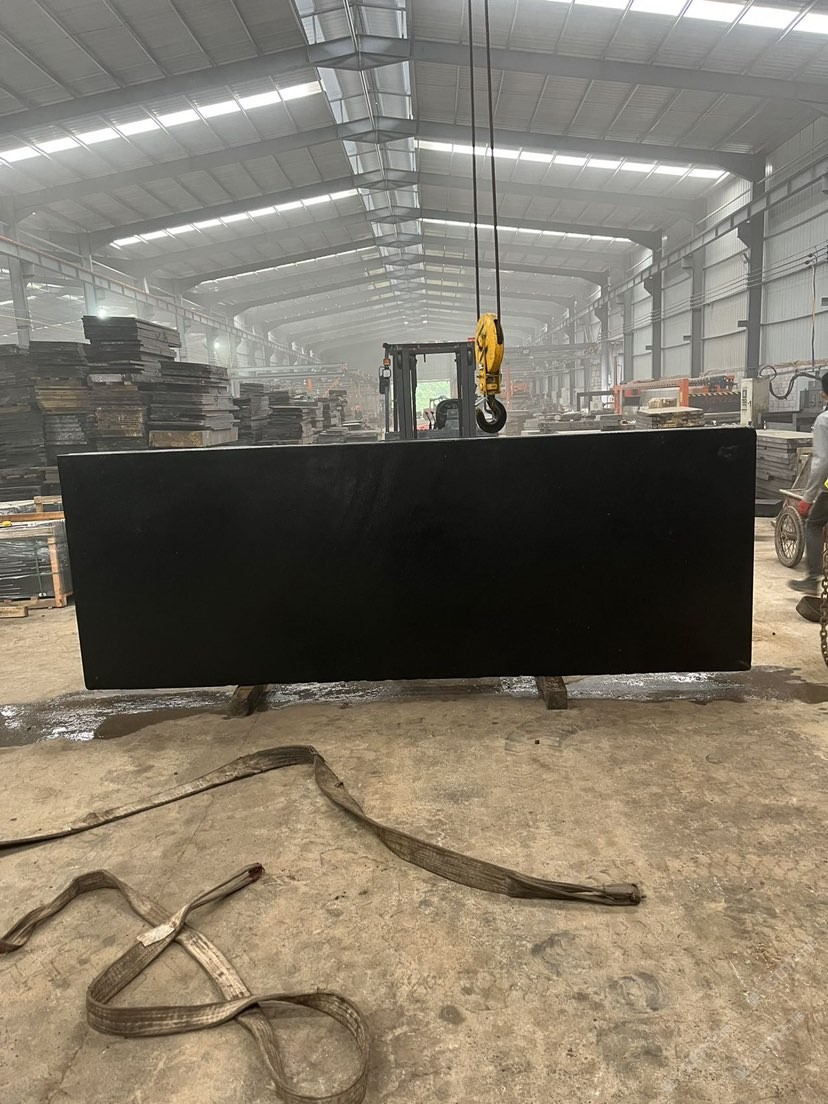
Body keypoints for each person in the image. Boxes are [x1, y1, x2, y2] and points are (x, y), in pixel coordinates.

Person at [789, 371, 828, 595]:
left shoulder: (824, 420)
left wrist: (808, 497)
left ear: (824, 394)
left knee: (813, 525)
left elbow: (822, 462)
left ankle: (812, 578)